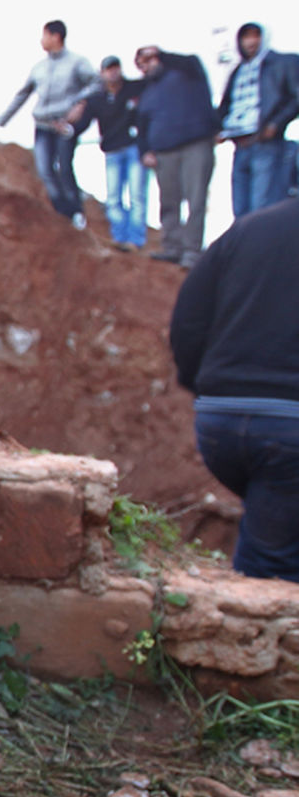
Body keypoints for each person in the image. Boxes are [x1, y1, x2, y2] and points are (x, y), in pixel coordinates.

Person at [170, 196, 299, 583]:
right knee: (271, 564)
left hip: (220, 422)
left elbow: (188, 320)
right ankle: (249, 637)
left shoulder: (248, 228)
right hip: (288, 430)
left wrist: (204, 386)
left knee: (277, 528)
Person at [0, 20, 98, 229]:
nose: (42, 40)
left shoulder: (77, 63)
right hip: (42, 125)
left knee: (64, 167)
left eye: (44, 35)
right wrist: (1, 121)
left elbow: (96, 82)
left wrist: (80, 104)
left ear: (55, 36)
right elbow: (22, 94)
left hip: (63, 124)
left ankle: (76, 212)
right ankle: (62, 212)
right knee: (44, 169)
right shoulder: (39, 68)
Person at [134, 45, 220, 267]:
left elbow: (191, 61)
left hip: (195, 145)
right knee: (169, 201)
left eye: (149, 60)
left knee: (196, 198)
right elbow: (141, 127)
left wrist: (160, 53)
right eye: (141, 64)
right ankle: (172, 247)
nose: (147, 65)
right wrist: (145, 152)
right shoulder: (147, 92)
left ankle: (192, 251)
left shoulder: (186, 72)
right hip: (164, 152)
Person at [216, 22, 299, 218]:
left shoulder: (283, 62)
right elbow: (226, 104)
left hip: (266, 144)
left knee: (262, 209)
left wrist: (275, 125)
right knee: (241, 209)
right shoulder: (238, 70)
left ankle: (263, 249)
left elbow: (295, 98)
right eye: (246, 37)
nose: (251, 42)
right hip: (240, 144)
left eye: (255, 36)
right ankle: (247, 249)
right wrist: (217, 129)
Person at [67, 55, 146, 250]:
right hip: (111, 151)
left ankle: (136, 240)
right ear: (102, 73)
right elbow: (83, 123)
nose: (113, 72)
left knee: (137, 195)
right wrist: (69, 125)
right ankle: (119, 238)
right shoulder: (97, 99)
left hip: (134, 147)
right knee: (113, 197)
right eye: (108, 69)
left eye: (115, 68)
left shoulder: (134, 89)